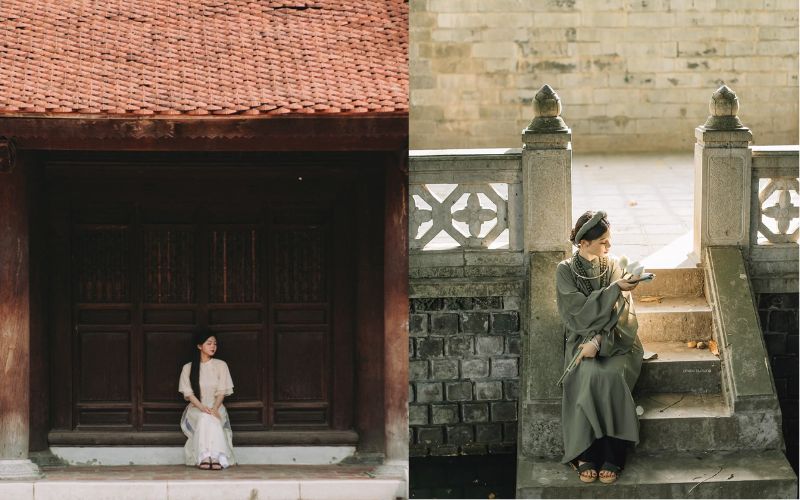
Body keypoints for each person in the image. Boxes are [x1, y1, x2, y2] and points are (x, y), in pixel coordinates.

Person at [556, 210, 644, 484]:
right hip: (579, 342)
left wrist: (599, 340)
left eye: (609, 241)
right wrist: (612, 290)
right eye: (603, 242)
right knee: (587, 376)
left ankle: (613, 453)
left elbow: (621, 313)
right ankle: (584, 452)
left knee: (610, 376)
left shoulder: (613, 265)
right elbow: (577, 314)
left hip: (617, 341)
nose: (609, 247)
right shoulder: (565, 271)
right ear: (584, 243)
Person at [178, 331, 236, 470]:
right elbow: (189, 393)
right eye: (209, 343)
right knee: (204, 417)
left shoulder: (221, 365)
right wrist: (203, 407)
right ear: (199, 346)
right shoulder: (188, 368)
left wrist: (215, 408)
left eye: (215, 343)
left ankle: (214, 456)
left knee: (212, 417)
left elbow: (222, 391)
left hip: (217, 406)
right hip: (196, 408)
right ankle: (205, 456)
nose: (213, 346)